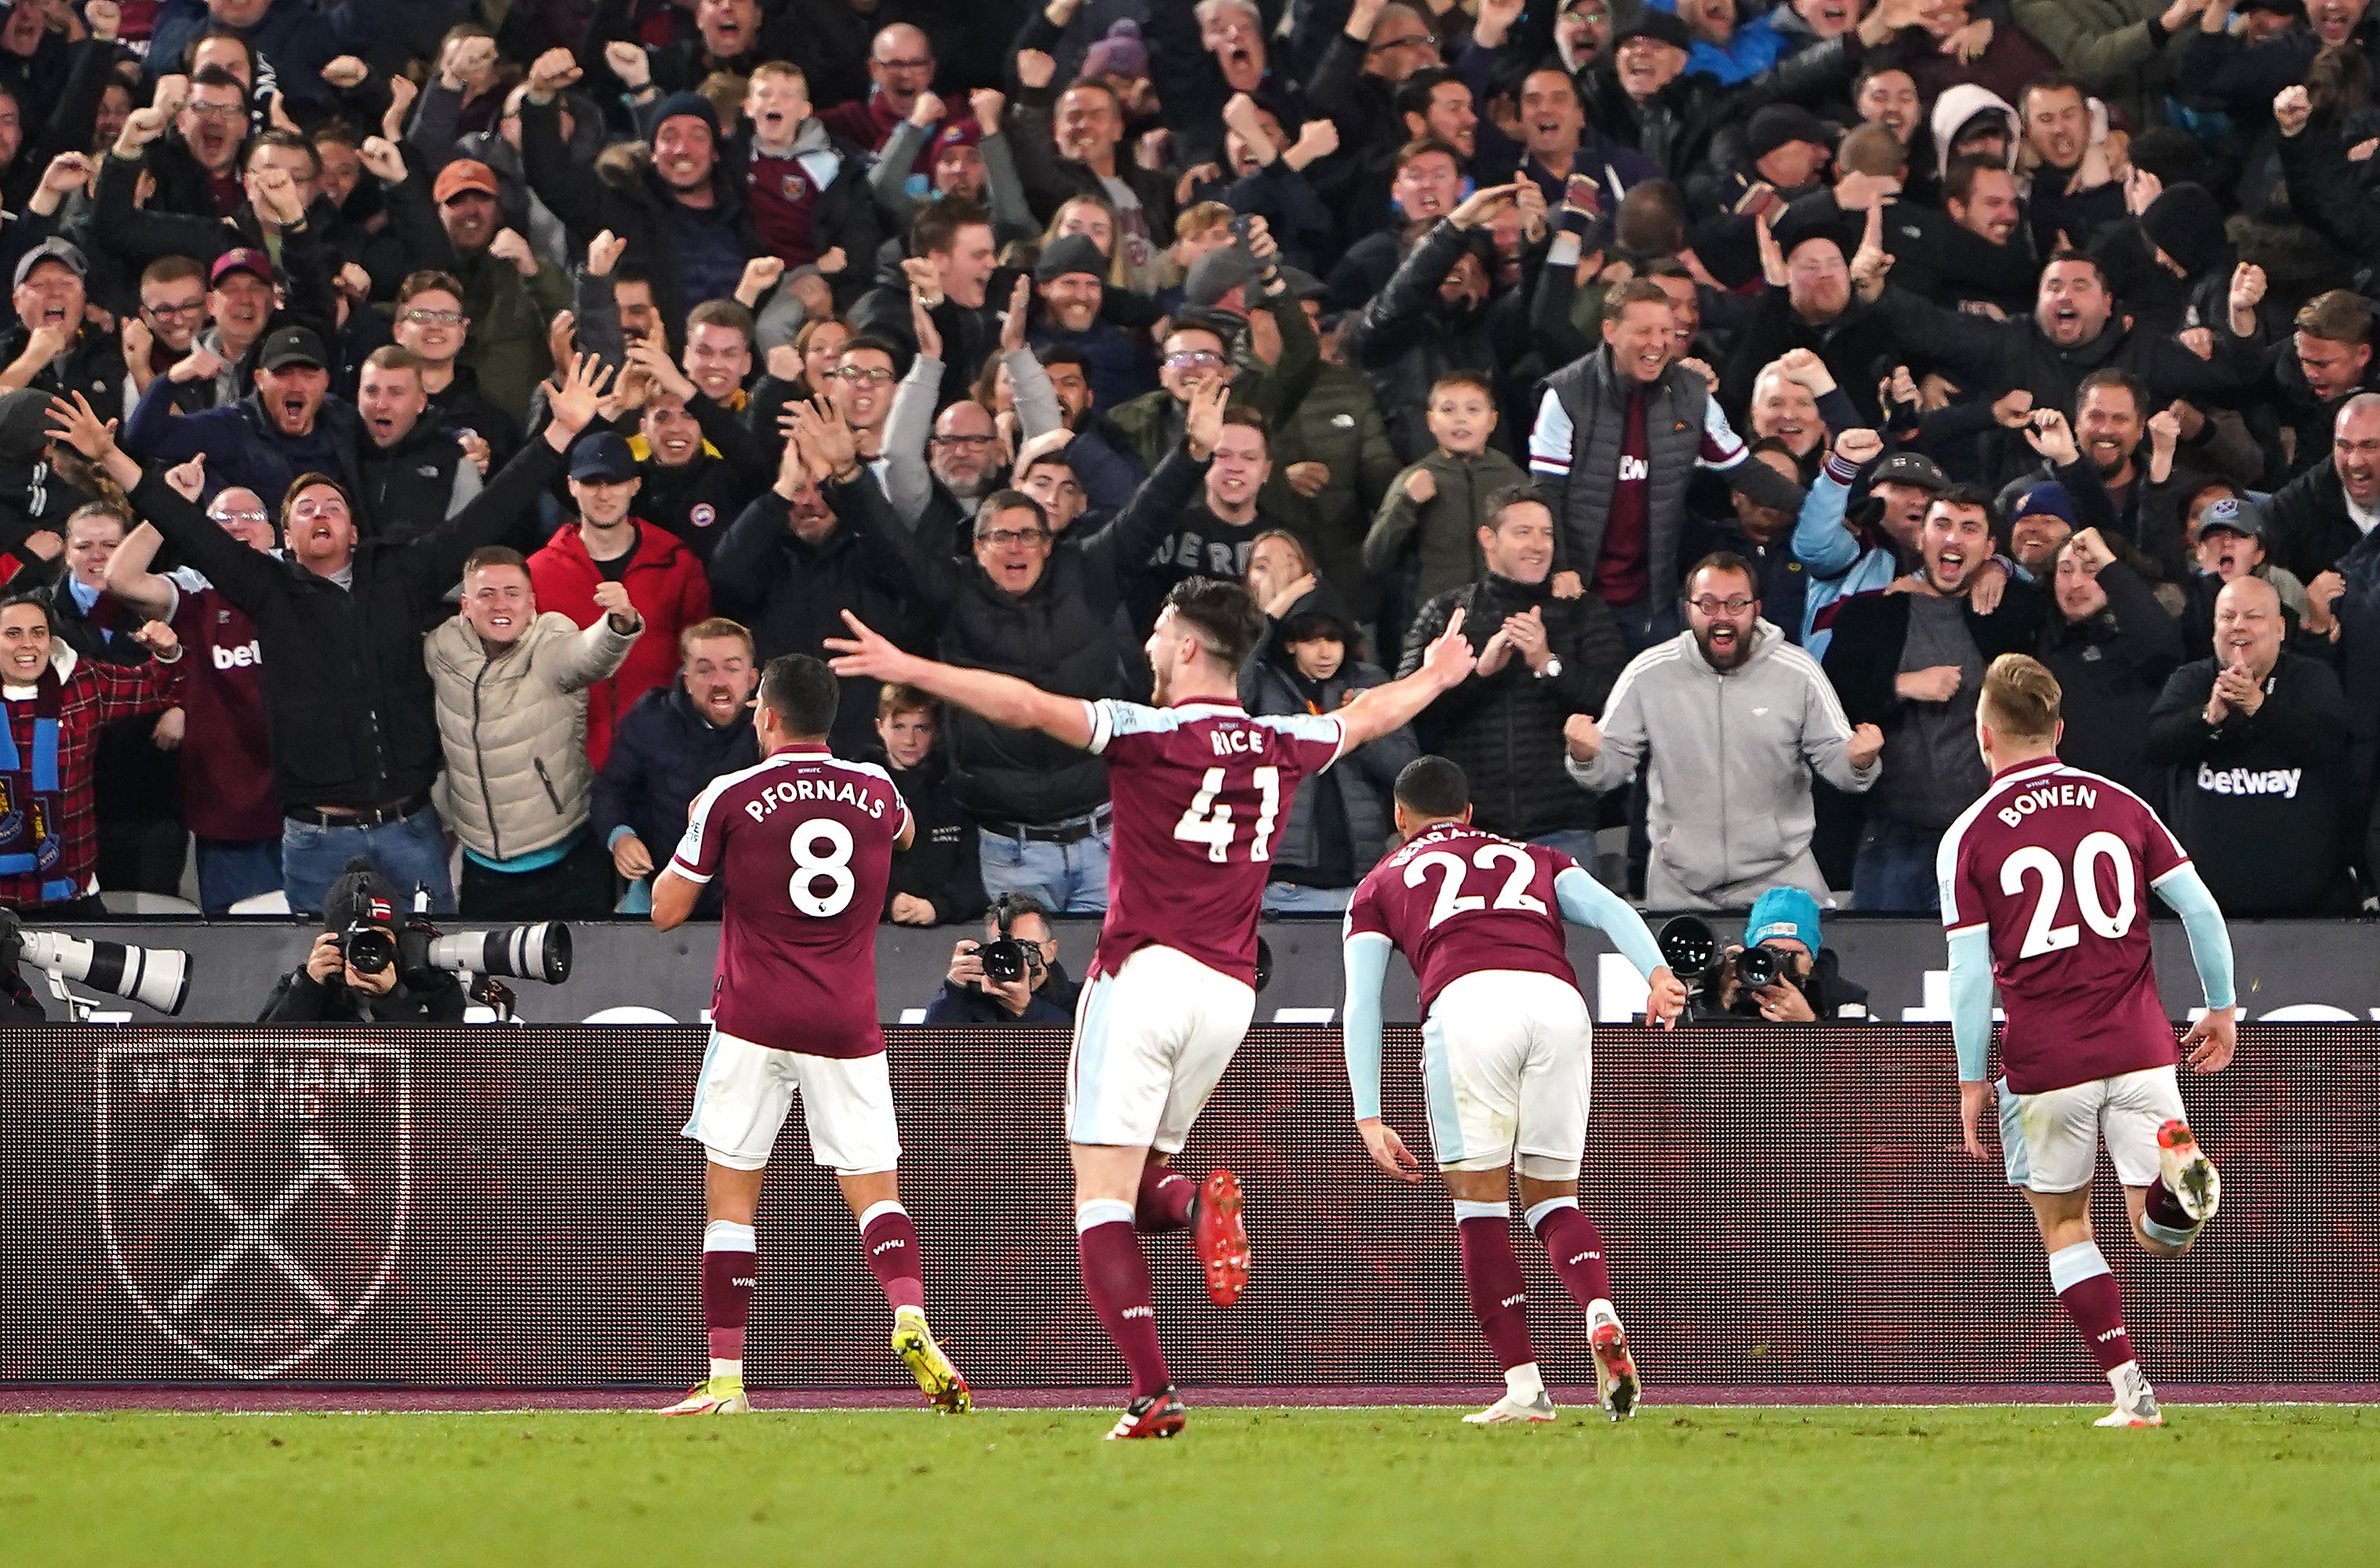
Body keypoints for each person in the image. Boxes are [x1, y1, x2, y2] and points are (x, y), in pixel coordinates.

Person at [825, 574, 1482, 1439]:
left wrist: (910, 665)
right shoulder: (1281, 739)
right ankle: (1190, 1207)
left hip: (1139, 976)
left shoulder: (1146, 729)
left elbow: (1024, 704)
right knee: (1140, 1186)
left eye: (1158, 630)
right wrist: (1434, 674)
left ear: (1184, 646)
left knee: (1095, 1199)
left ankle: (1151, 1389)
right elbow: (1366, 719)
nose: (1145, 646)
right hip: (1226, 994)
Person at [48, 354, 616, 913]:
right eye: (305, 508)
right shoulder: (266, 588)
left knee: (435, 980)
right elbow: (189, 528)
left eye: (333, 505)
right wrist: (113, 458)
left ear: (352, 529)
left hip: (409, 827)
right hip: (315, 837)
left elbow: (489, 512)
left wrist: (559, 433)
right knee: (319, 988)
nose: (321, 512)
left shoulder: (401, 574)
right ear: (286, 537)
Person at [649, 653, 969, 1420]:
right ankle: (908, 1313)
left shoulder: (731, 793)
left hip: (752, 1019)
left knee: (731, 1201)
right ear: (833, 719)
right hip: (844, 1020)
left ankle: (726, 1380)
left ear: (765, 714)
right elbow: (908, 828)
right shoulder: (877, 787)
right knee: (875, 1194)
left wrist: (700, 823)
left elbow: (664, 910)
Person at [1341, 753, 1685, 1425]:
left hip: (1468, 1006)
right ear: (1470, 815)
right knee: (1553, 1198)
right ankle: (1598, 1308)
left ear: (1398, 818)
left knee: (1480, 1209)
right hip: (1557, 1002)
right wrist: (1656, 974)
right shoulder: (1537, 858)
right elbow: (1613, 909)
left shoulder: (1378, 883)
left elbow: (1360, 1003)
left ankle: (1525, 1387)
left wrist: (1368, 1113)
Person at [1940, 653, 2237, 1428]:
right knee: (2158, 1236)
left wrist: (1972, 1079)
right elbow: (2200, 911)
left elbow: (1969, 977)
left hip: (2046, 1063)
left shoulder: (1968, 836)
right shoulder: (2121, 802)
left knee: (2064, 1222)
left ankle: (2127, 1388)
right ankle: (2180, 1168)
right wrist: (2221, 1007)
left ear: (1983, 735)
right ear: (2057, 728)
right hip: (2140, 1047)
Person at [1564, 552, 1884, 909]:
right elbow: (1609, 768)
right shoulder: (1648, 673)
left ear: (1755, 609)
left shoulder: (1799, 671)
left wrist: (1859, 761)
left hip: (1781, 879)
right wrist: (1586, 757)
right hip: (1677, 883)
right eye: (1708, 604)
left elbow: (1836, 760)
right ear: (1689, 611)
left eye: (1735, 604)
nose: (1722, 617)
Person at [1822, 487, 2048, 911]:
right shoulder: (1873, 614)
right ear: (1921, 538)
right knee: (1885, 968)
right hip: (1894, 834)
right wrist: (1900, 685)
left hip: (1993, 831)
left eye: (1970, 529)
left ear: (1989, 547)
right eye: (1942, 525)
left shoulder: (2011, 612)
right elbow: (1830, 701)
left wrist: (2003, 570)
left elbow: (2061, 584)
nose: (1954, 539)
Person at [1399, 492, 1626, 861]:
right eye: (1523, 532)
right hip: (1469, 831)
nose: (1538, 546)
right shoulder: (1446, 613)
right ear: (1488, 539)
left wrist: (1548, 663)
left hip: (1565, 828)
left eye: (1547, 534)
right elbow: (1409, 715)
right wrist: (1480, 674)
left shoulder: (1582, 610)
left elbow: (1615, 702)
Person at [101, 477, 285, 914]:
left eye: (251, 516)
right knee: (243, 948)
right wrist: (171, 506)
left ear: (276, 533)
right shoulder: (192, 588)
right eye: (223, 517)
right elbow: (120, 578)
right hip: (229, 804)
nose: (239, 525)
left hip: (310, 807)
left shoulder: (301, 581)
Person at [425, 548, 642, 919]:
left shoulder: (550, 640)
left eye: (512, 593)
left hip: (568, 861)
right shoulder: (442, 648)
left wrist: (618, 623)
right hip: (481, 867)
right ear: (465, 605)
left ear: (531, 603)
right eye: (487, 594)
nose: (500, 605)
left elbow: (586, 654)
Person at [2142, 575, 2356, 915]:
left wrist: (2259, 708)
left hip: (2307, 917)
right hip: (2201, 914)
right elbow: (2155, 743)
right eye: (2228, 617)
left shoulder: (2311, 679)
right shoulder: (2191, 680)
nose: (2238, 626)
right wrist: (2209, 717)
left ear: (2281, 628)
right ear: (2214, 629)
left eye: (2253, 617)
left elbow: (2330, 747)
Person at [0, 593, 184, 917]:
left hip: (73, 891)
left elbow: (159, 686)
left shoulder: (83, 682)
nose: (28, 644)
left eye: (38, 632)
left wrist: (169, 652)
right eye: (12, 634)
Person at [593, 617, 761, 919]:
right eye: (704, 669)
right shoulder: (651, 718)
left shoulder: (775, 727)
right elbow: (612, 789)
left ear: (752, 679)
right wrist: (620, 837)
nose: (719, 681)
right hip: (660, 893)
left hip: (749, 904)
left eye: (732, 669)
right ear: (686, 678)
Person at [258, 858, 470, 1025]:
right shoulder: (303, 987)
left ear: (399, 939)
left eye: (381, 938)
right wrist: (308, 989)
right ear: (333, 942)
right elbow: (258, 1061)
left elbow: (444, 1068)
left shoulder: (434, 987)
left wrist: (392, 999)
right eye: (357, 940)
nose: (368, 951)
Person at [871, 684, 984, 928]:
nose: (910, 740)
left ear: (937, 731)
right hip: (877, 932)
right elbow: (846, 868)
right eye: (899, 727)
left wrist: (938, 907)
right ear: (880, 728)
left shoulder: (958, 791)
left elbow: (975, 876)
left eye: (921, 728)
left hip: (947, 931)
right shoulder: (858, 791)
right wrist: (887, 902)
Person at [1695, 886, 1871, 1023]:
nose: (1779, 965)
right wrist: (1719, 1004)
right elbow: (1689, 1062)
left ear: (1812, 958)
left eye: (1794, 955)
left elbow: (1853, 1066)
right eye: (1770, 952)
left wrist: (1808, 1024)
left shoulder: (1844, 998)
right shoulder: (1719, 989)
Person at [921, 892, 1078, 1023]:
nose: (1018, 958)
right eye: (1007, 949)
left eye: (1027, 947)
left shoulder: (1081, 1001)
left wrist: (1027, 1008)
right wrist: (954, 990)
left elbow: (1079, 1049)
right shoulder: (972, 1002)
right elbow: (931, 1052)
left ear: (1051, 950)